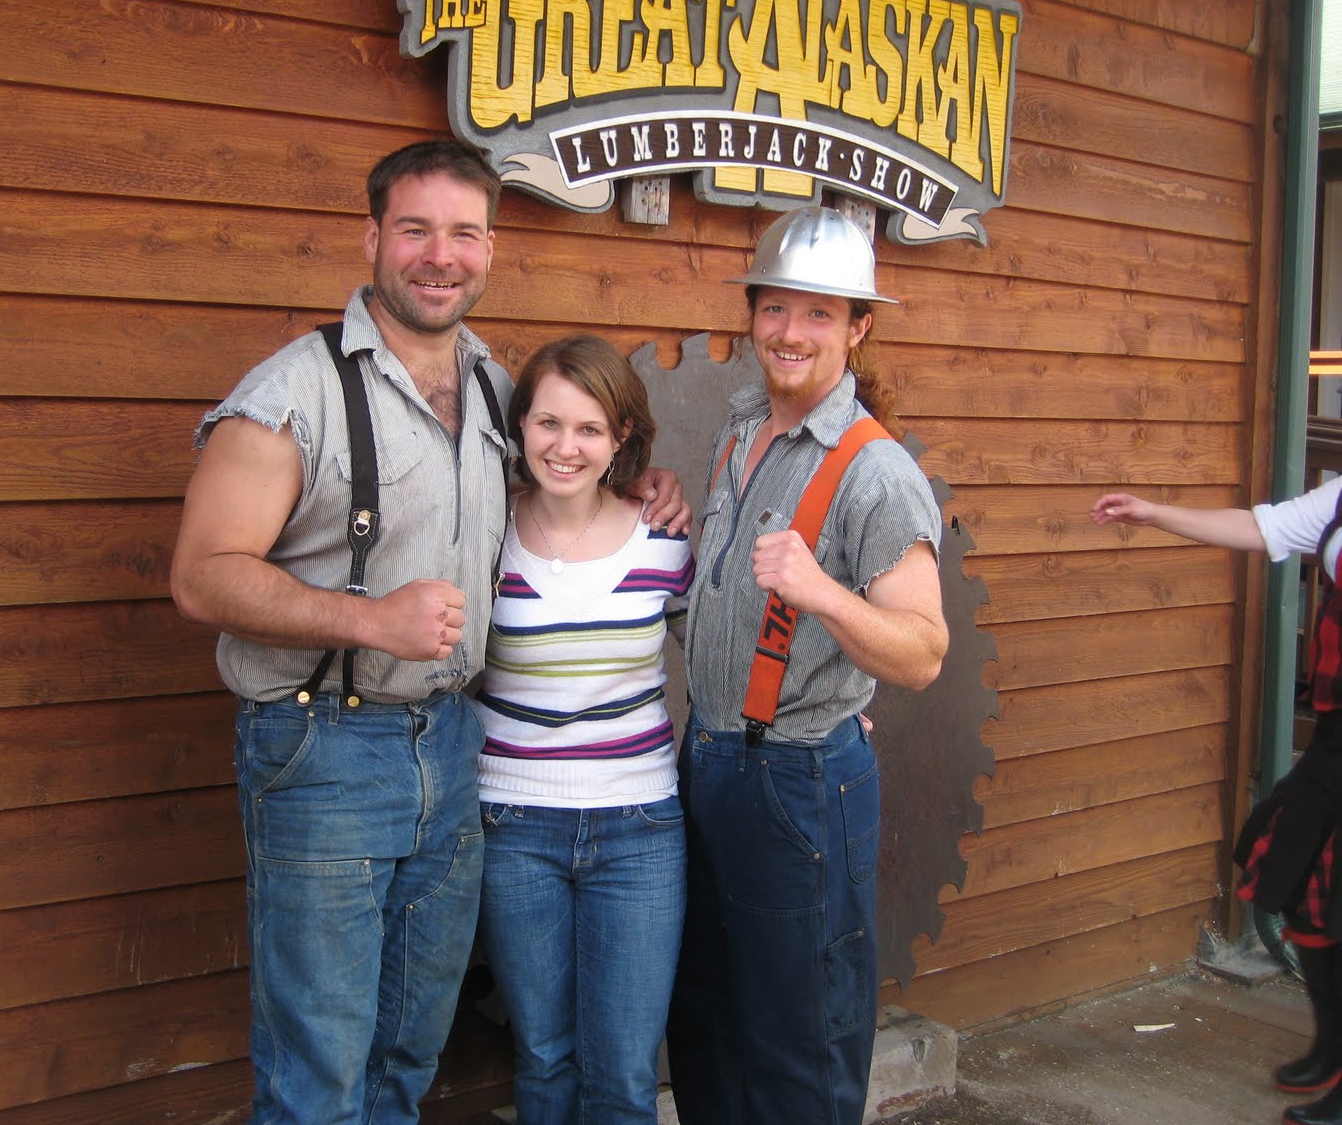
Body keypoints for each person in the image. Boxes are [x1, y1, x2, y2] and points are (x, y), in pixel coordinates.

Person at [169, 138, 687, 1125]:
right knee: (320, 1065)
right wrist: (368, 618)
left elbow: (576, 483)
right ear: (372, 238)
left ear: (490, 250)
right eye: (414, 230)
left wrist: (649, 488)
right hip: (325, 746)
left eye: (462, 233)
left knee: (409, 1048)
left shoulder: (498, 390)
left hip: (456, 753)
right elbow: (201, 575)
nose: (438, 255)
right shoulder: (295, 392)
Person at [666, 206, 948, 1125]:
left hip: (794, 783)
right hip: (708, 763)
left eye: (820, 314)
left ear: (858, 328)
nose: (791, 333)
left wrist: (824, 593)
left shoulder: (877, 473)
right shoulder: (741, 432)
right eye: (777, 309)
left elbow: (923, 653)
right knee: (705, 1023)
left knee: (799, 1044)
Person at [473, 335, 694, 1124]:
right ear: (520, 428)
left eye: (590, 429)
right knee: (541, 1058)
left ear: (621, 439)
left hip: (638, 827)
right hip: (511, 824)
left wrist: (825, 703)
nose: (566, 447)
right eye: (548, 424)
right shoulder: (480, 534)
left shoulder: (665, 540)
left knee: (625, 1074)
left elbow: (724, 650)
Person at [1092, 484, 1342, 1125]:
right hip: (1338, 737)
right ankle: (1336, 1042)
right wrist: (1155, 513)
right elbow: (1266, 528)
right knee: (1288, 869)